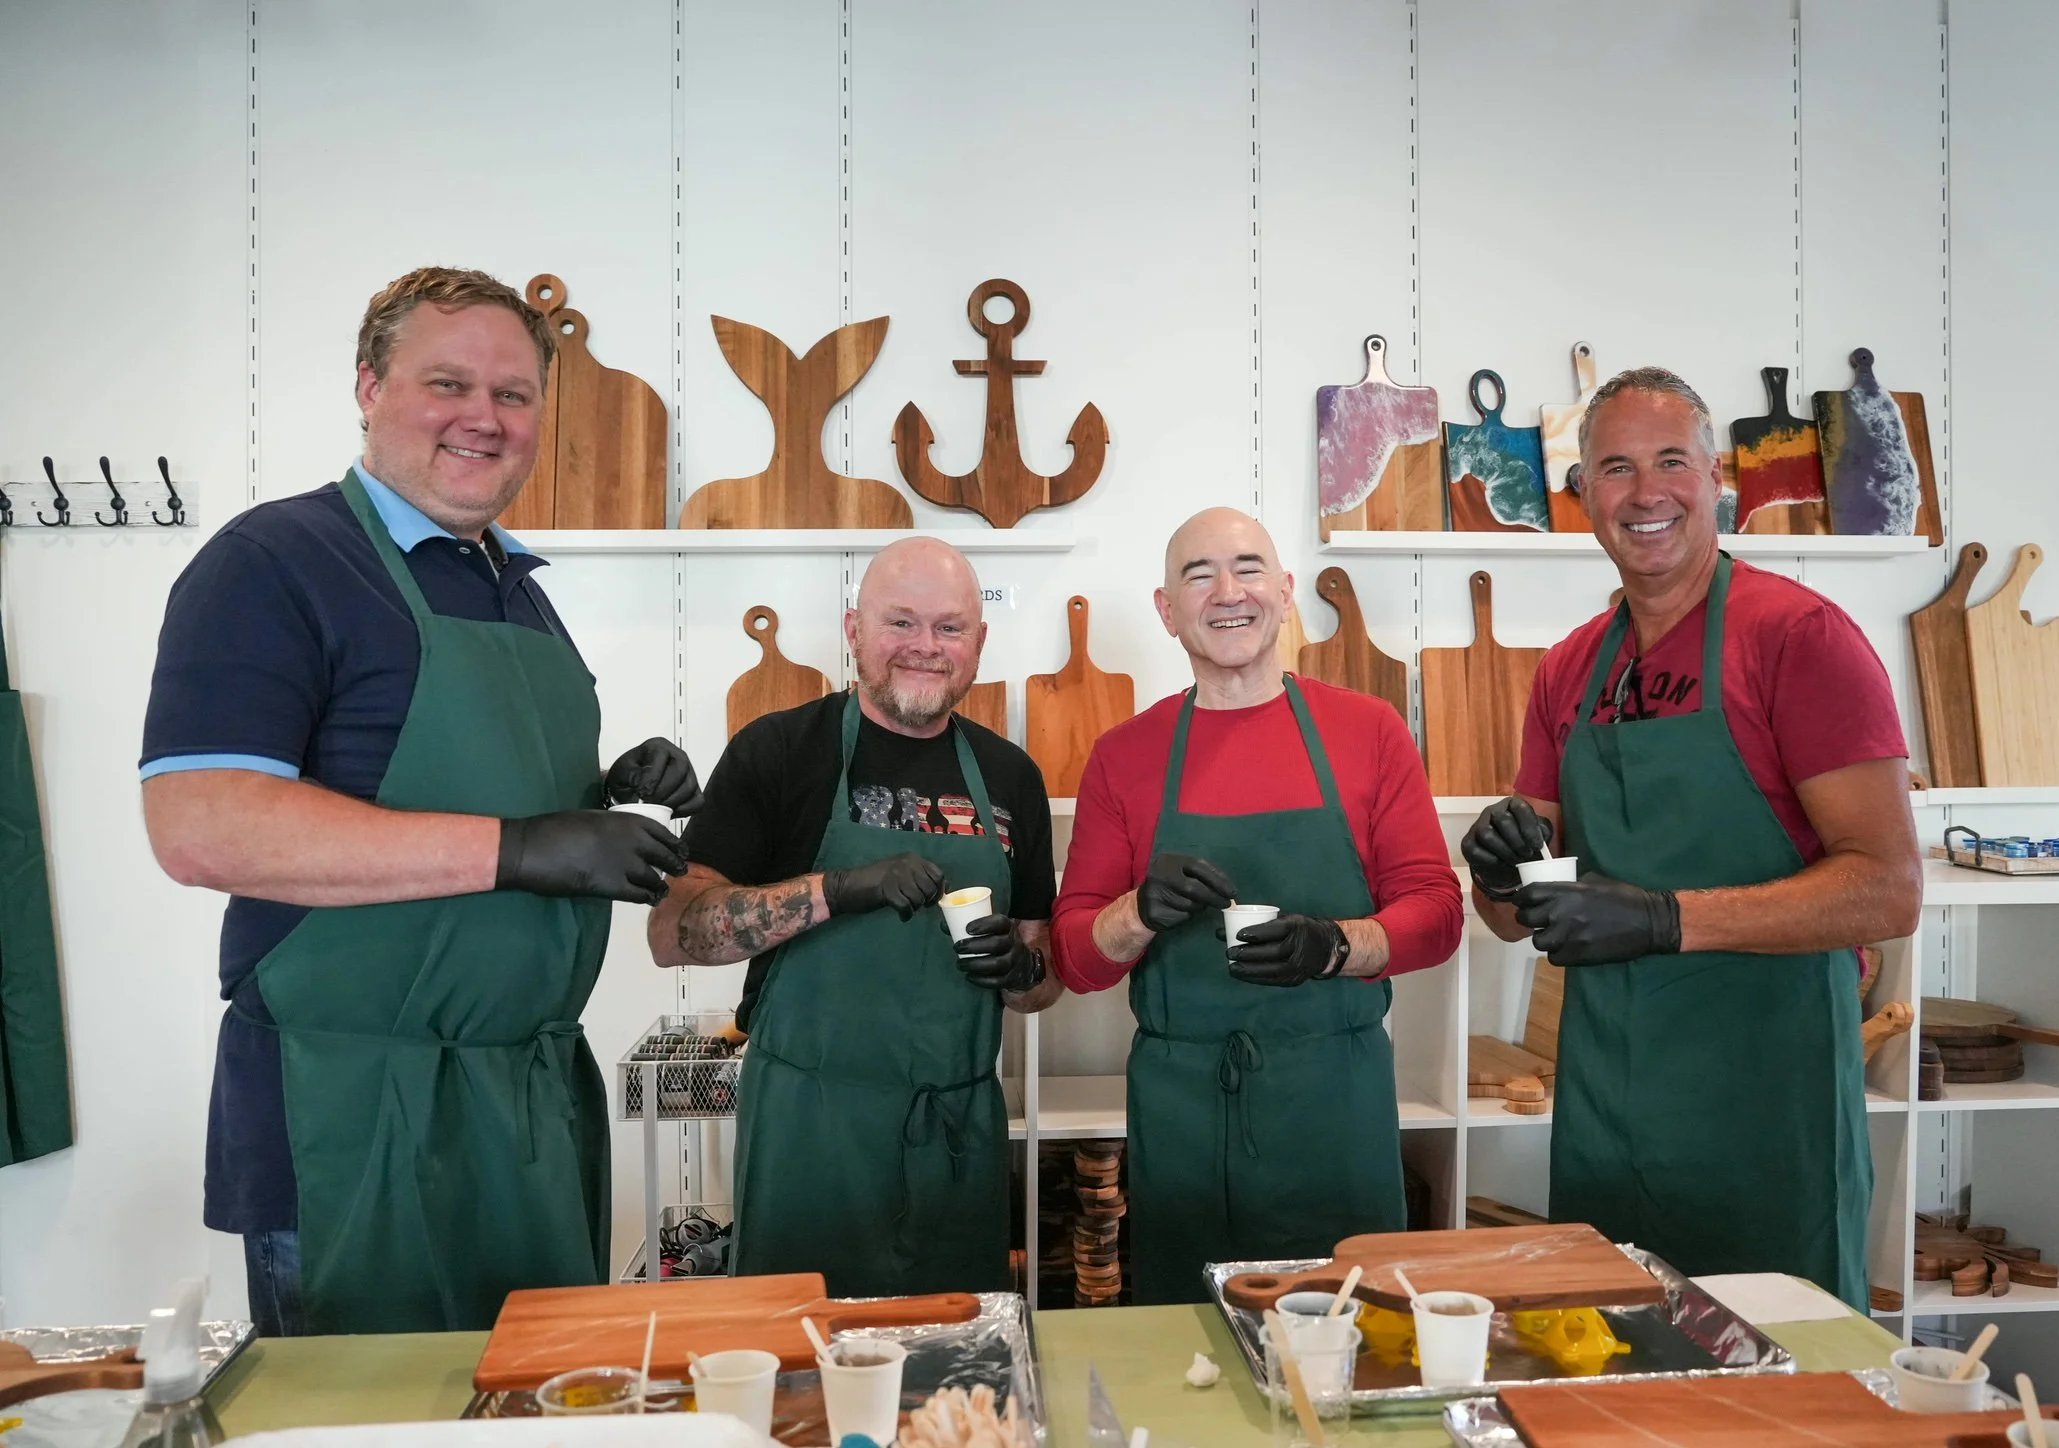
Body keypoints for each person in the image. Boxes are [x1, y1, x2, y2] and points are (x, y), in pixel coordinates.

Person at [140, 267, 700, 1335]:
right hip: (355, 1110)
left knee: (542, 1400)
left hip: (525, 1103)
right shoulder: (275, 561)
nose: (484, 417)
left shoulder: (514, 587)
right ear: (369, 386)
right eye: (449, 383)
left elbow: (445, 783)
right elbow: (200, 824)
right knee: (370, 1407)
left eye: (514, 394)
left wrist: (601, 790)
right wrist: (521, 846)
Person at [1460, 367, 1921, 1309]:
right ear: (1583, 492)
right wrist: (1500, 872)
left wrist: (1664, 919)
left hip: (1767, 1113)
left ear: (1716, 477)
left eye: (1671, 461)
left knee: (1783, 1372)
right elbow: (1512, 919)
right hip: (1606, 1108)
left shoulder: (1799, 638)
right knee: (1611, 1362)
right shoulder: (1568, 670)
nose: (1646, 493)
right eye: (1616, 468)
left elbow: (1887, 889)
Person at [1052, 508, 1463, 1304]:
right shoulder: (1124, 756)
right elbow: (1076, 960)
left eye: (1247, 568)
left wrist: (1332, 946)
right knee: (1188, 1348)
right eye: (1198, 575)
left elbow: (1437, 913)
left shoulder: (1368, 732)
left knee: (1345, 1336)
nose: (1228, 592)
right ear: (1167, 609)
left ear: (1285, 590)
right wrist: (1139, 911)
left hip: (1335, 1103)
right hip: (1183, 1115)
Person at [649, 537, 1063, 1296]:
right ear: (854, 630)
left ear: (978, 642)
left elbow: (1041, 983)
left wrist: (1022, 969)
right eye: (900, 622)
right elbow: (674, 932)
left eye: (948, 627)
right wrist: (835, 890)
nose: (925, 646)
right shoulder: (780, 751)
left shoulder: (1011, 776)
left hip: (956, 1129)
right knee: (800, 1349)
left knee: (957, 1348)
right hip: (810, 1129)